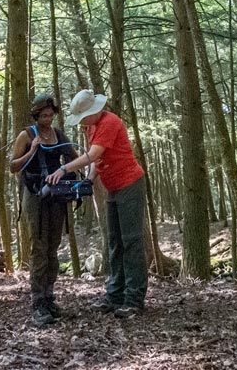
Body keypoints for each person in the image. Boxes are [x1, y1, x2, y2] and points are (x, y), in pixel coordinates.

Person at [48, 89, 147, 318]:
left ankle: (134, 299)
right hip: (113, 187)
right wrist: (90, 179)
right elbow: (96, 158)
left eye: (83, 117)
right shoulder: (92, 127)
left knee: (131, 241)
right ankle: (115, 294)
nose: (82, 122)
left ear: (94, 111)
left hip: (129, 184)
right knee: (114, 241)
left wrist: (63, 169)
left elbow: (92, 154)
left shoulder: (109, 122)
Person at [10, 92, 79, 327]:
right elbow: (13, 166)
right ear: (36, 115)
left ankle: (49, 297)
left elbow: (74, 158)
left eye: (51, 115)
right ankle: (37, 301)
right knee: (38, 246)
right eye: (44, 115)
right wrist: (31, 151)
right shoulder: (26, 135)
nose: (48, 119)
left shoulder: (59, 134)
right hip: (34, 194)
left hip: (56, 195)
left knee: (53, 245)